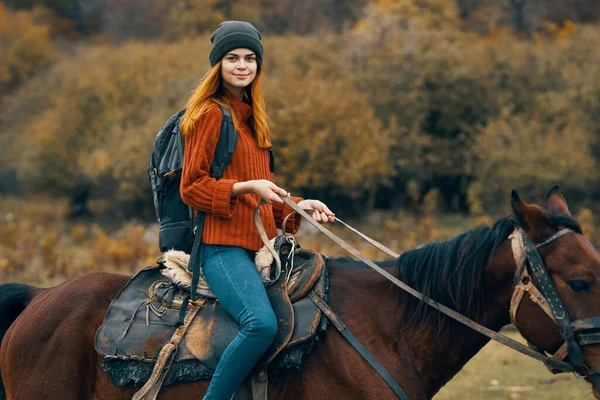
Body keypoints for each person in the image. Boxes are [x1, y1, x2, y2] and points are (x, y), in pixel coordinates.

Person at [179, 21, 335, 400]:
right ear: (218, 65)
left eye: (250, 58)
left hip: (256, 247)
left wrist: (298, 205)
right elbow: (191, 187)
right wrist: (246, 187)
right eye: (232, 58)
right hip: (221, 247)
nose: (242, 66)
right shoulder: (210, 115)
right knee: (261, 325)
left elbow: (261, 202)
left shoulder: (253, 122)